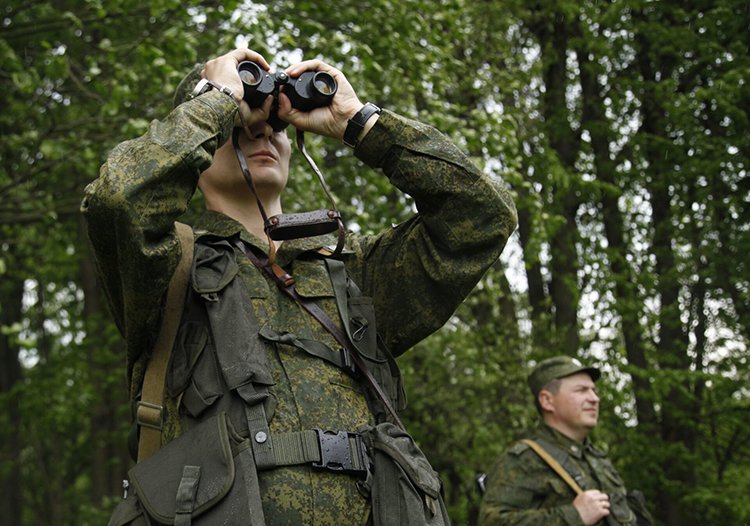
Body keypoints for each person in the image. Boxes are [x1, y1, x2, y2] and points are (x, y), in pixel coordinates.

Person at [83, 48, 517, 526]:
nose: (262, 129)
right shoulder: (166, 267)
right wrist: (219, 101)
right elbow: (119, 200)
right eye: (241, 122)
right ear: (198, 149)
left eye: (275, 125)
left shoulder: (351, 271)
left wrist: (360, 123)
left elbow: (484, 216)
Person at [478, 356, 654, 526]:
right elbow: (491, 521)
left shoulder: (597, 459)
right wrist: (573, 516)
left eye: (594, 390)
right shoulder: (524, 459)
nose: (594, 398)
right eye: (581, 390)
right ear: (547, 401)